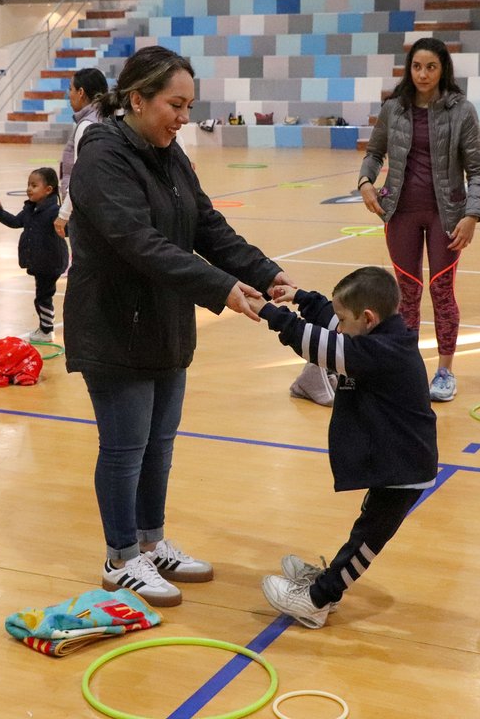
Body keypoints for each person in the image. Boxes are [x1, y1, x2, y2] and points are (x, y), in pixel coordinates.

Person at [64, 45, 290, 608]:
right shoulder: (103, 158)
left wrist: (265, 272)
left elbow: (206, 224)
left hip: (164, 320)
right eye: (175, 105)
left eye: (189, 106)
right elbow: (141, 243)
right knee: (125, 448)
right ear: (137, 99)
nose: (184, 118)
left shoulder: (168, 153)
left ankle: (150, 542)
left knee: (158, 445)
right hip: (113, 325)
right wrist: (222, 288)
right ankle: (121, 559)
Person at [248, 267, 438, 628]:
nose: (339, 326)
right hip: (393, 460)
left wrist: (268, 312)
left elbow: (317, 343)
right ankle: (325, 583)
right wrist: (301, 297)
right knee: (365, 529)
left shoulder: (383, 350)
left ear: (368, 319)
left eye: (345, 320)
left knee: (367, 539)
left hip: (406, 466)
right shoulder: (376, 333)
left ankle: (318, 599)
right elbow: (331, 321)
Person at [357, 37, 480, 403]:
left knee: (442, 292)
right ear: (409, 69)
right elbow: (374, 152)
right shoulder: (394, 108)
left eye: (431, 67)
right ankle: (408, 368)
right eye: (417, 66)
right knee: (407, 294)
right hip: (400, 213)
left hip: (448, 216)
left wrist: (472, 214)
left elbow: (478, 170)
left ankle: (445, 371)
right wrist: (365, 182)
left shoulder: (462, 111)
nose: (423, 74)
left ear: (443, 69)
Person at [0, 167, 69, 342]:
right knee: (42, 295)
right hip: (39, 261)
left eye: (34, 185)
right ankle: (45, 328)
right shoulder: (30, 209)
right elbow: (15, 222)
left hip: (50, 262)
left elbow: (68, 229)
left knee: (43, 296)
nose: (29, 189)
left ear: (48, 190)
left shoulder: (55, 211)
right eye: (28, 185)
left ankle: (46, 331)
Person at [55, 67, 108, 239]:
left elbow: (81, 177)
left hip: (88, 212)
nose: (68, 95)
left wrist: (64, 214)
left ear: (81, 92)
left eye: (70, 89)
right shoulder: (107, 117)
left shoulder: (87, 125)